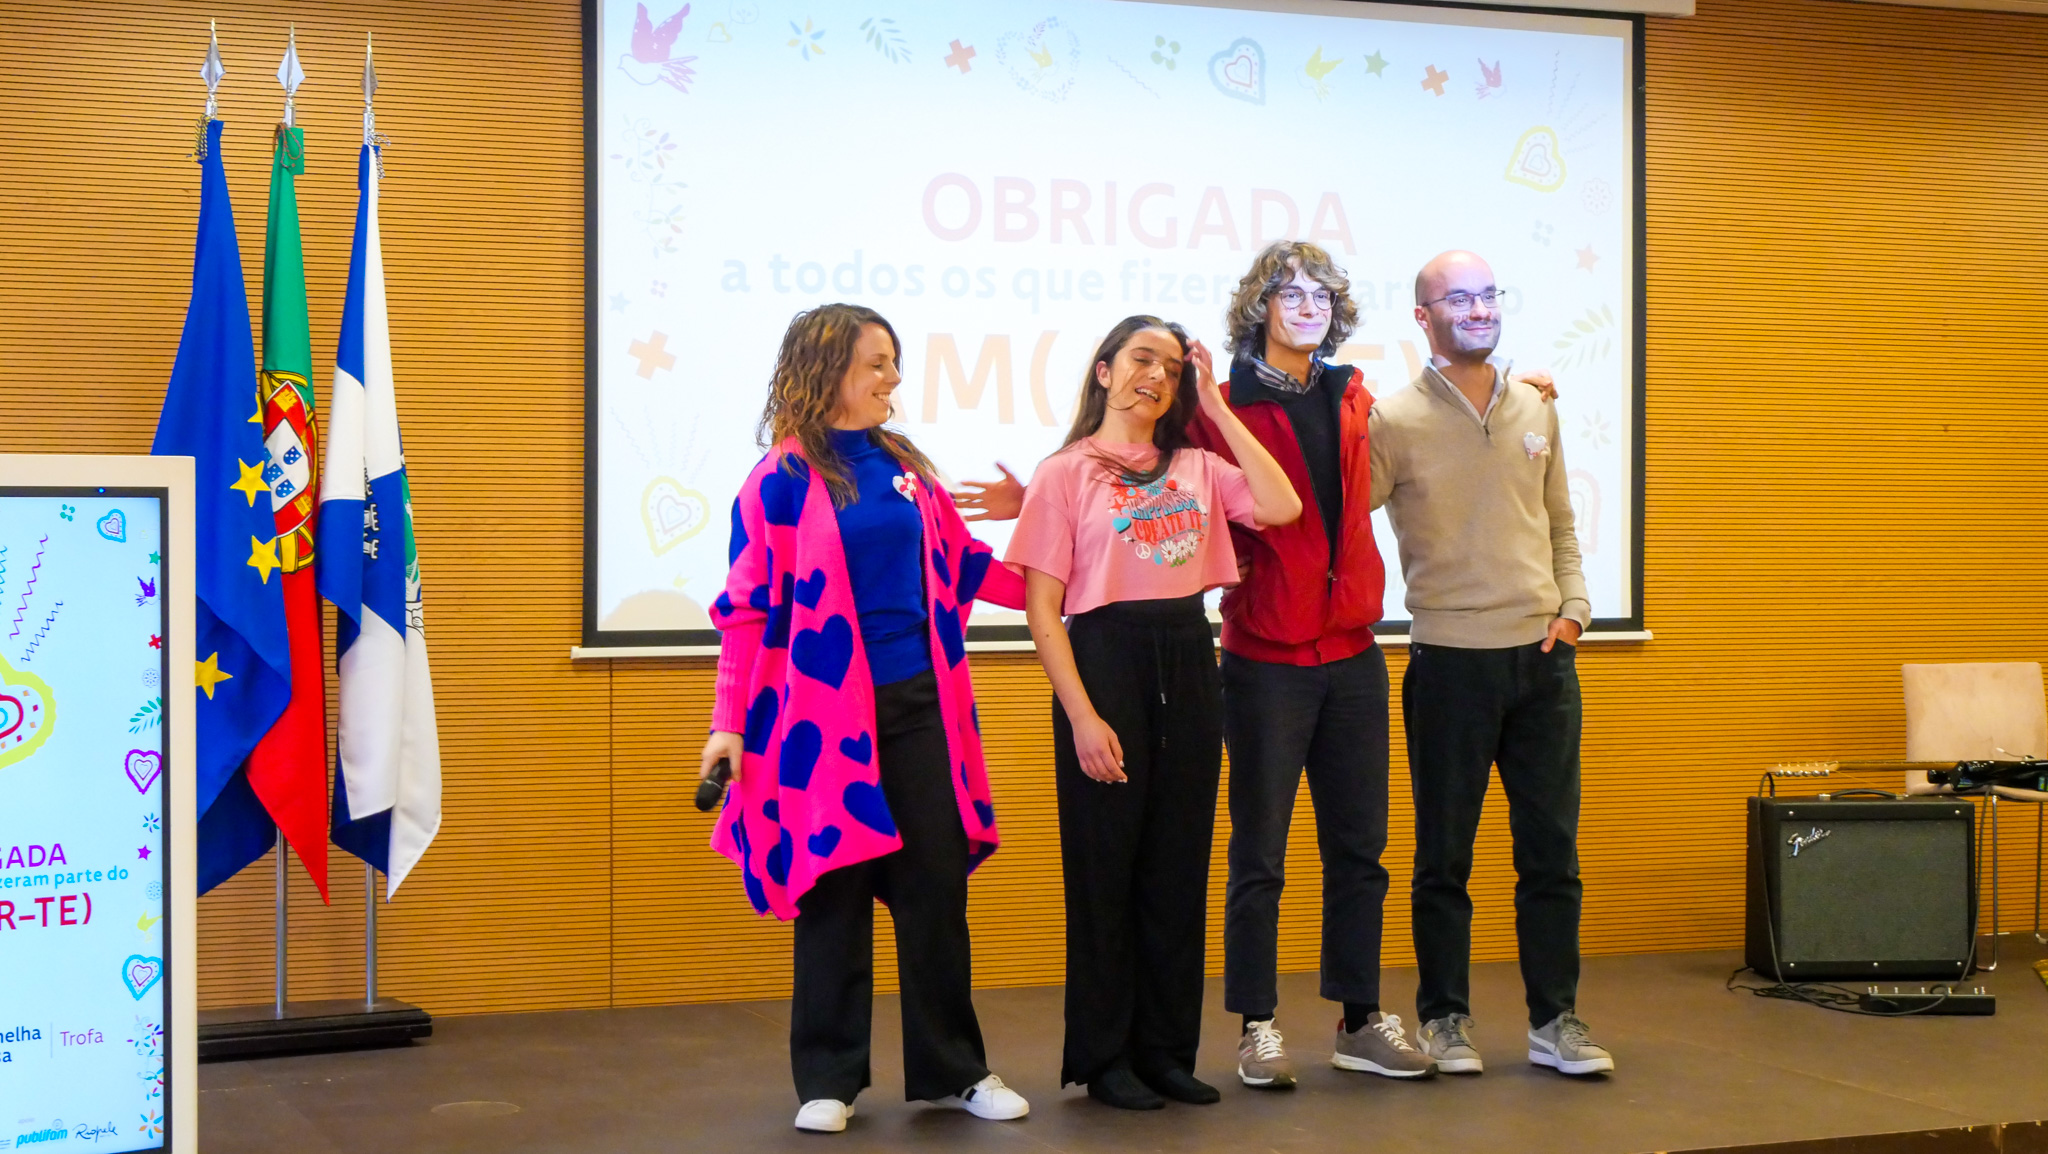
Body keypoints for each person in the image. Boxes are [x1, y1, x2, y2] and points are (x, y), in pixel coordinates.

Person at [698, 303, 1033, 1133]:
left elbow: (966, 566)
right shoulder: (778, 480)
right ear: (829, 370)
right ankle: (829, 1080)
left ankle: (956, 1071)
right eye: (877, 363)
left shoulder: (903, 468)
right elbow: (744, 610)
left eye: (893, 362)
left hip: (918, 705)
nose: (893, 378)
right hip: (820, 723)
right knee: (833, 891)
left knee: (934, 890)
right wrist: (728, 723)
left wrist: (1064, 587)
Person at [1005, 316, 1301, 1110]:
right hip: (1105, 662)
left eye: (1172, 369)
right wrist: (1082, 716)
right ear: (1104, 370)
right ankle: (1105, 1058)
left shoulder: (1200, 465)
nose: (1157, 377)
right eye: (1142, 359)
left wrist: (1218, 406)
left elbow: (1281, 506)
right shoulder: (1064, 472)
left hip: (1188, 658)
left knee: (1178, 866)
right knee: (1106, 871)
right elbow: (1042, 610)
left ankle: (1166, 1051)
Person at [1186, 241, 1436, 1087]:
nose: (1307, 306)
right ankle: (1256, 1026)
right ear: (1259, 306)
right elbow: (1167, 489)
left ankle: (1359, 1020)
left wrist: (1527, 385)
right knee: (1259, 852)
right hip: (1264, 657)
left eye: (1321, 294)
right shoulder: (1219, 405)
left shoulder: (1353, 394)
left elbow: (1430, 430)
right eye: (1289, 293)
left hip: (1355, 652)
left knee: (1361, 849)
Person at [1369, 250, 1614, 1077]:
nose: (1478, 309)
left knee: (1552, 855)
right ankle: (1444, 1019)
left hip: (1543, 663)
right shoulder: (1391, 419)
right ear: (1423, 316)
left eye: (1487, 294)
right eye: (1457, 298)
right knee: (1444, 857)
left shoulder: (1536, 404)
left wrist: (1575, 611)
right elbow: (1341, 515)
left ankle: (1556, 1022)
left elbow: (1560, 524)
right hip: (1448, 662)